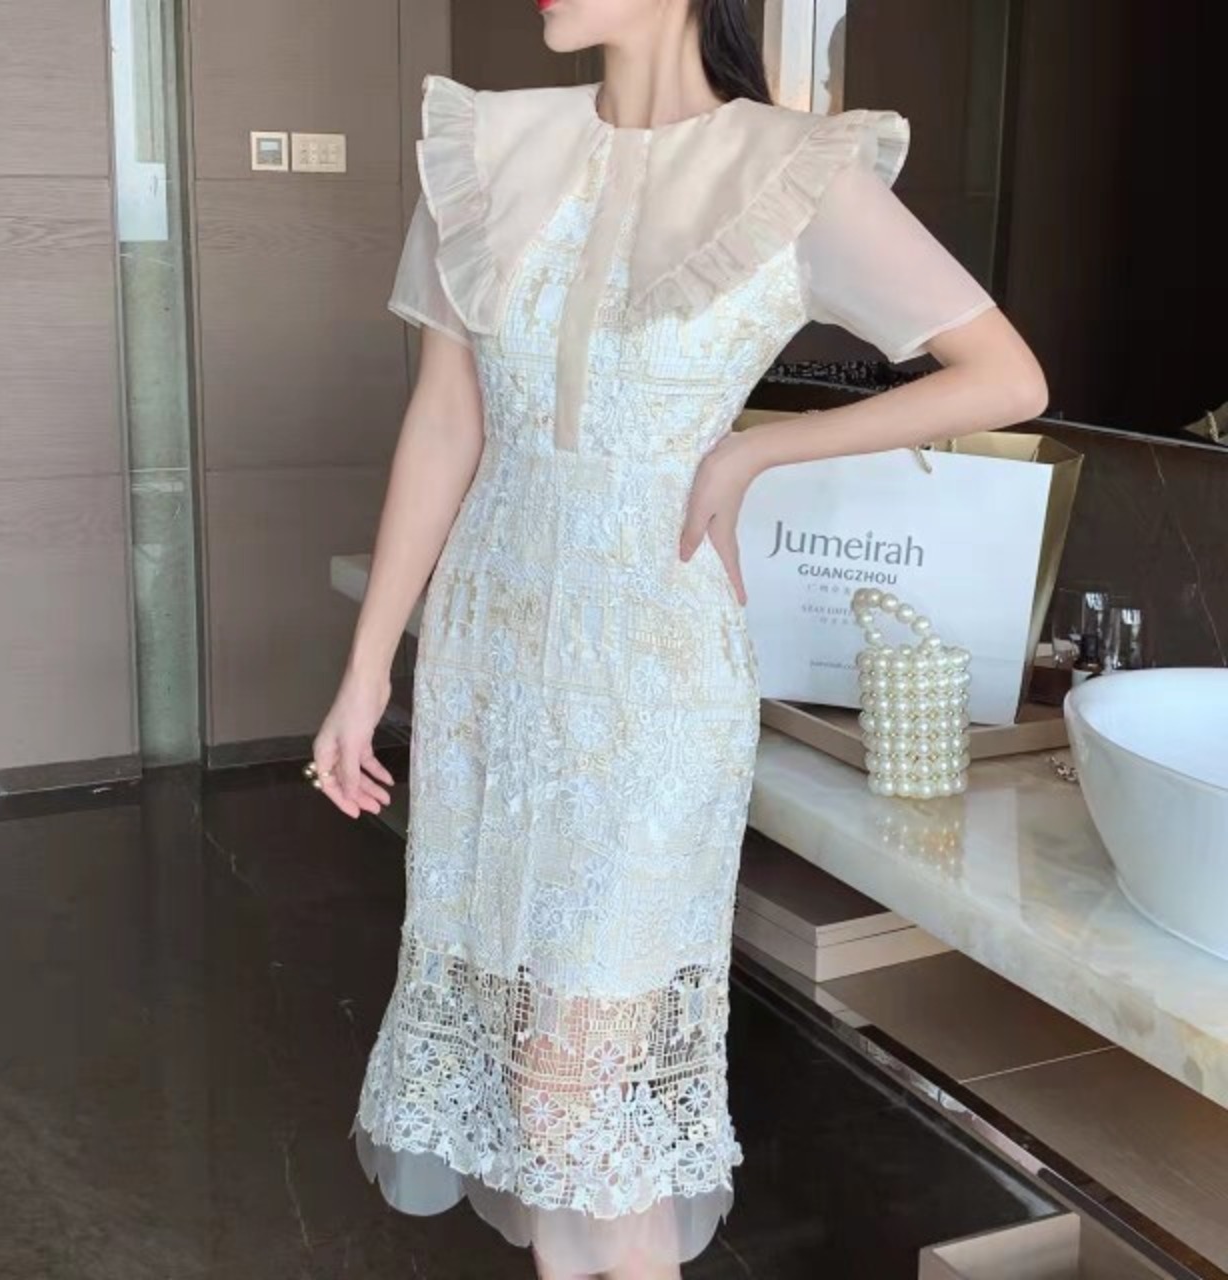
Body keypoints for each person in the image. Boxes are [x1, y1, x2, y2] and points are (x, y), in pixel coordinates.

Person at [309, 1, 1048, 1276]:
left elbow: (1004, 375)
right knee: (529, 1079)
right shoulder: (481, 148)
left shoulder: (792, 167)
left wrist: (756, 449)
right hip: (491, 658)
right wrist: (367, 664)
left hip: (651, 668)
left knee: (578, 1087)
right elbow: (443, 420)